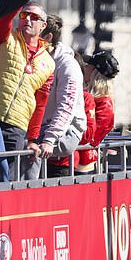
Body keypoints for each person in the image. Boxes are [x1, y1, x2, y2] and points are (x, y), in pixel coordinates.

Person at [0, 4, 55, 180]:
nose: (27, 20)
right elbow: (3, 20)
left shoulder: (48, 62)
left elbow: (40, 103)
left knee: (6, 177)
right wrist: (18, 0)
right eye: (24, 15)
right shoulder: (5, 38)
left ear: (43, 26)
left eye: (34, 17)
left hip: (17, 126)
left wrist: (32, 139)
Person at [25, 14, 86, 178]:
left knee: (29, 147)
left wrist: (50, 139)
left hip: (67, 131)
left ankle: (25, 193)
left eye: (33, 36)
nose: (26, 41)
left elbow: (66, 107)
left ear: (48, 37)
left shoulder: (68, 65)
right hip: (40, 127)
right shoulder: (34, 60)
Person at [75, 51, 118, 173]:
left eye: (89, 65)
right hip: (74, 154)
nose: (85, 67)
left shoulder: (104, 102)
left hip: (84, 161)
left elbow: (93, 137)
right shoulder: (85, 93)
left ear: (96, 71)